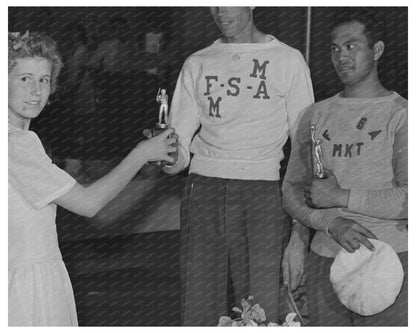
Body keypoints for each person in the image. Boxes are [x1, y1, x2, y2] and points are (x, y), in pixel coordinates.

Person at [8, 31, 177, 326]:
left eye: (44, 80)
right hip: (28, 281)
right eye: (25, 79)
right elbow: (88, 203)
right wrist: (141, 153)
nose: (36, 90)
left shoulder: (19, 139)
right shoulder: (16, 143)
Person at [160, 7, 314, 325]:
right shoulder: (197, 62)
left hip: (264, 194)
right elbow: (180, 151)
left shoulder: (288, 60)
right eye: (213, 4)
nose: (220, 12)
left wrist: (301, 229)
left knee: (263, 309)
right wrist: (165, 155)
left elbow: (305, 150)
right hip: (203, 190)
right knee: (199, 308)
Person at [281, 9, 407, 326]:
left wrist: (342, 196)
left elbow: (409, 198)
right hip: (325, 256)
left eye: (352, 46)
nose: (341, 57)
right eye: (335, 48)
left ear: (376, 50)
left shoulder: (402, 115)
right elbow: (291, 191)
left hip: (390, 259)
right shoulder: (314, 115)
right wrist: (329, 222)